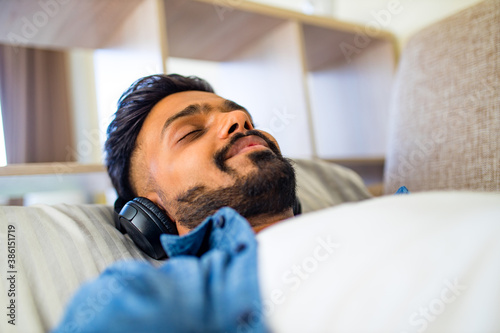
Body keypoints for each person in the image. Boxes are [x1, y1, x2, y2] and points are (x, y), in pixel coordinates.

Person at [53, 74, 298, 333]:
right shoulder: (146, 301)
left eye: (248, 119)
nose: (239, 119)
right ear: (152, 211)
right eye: (191, 132)